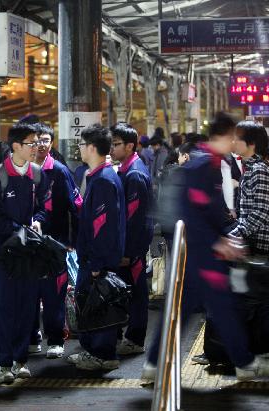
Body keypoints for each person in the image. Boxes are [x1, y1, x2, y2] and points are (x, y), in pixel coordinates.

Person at [142, 112, 269, 381]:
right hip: (202, 255)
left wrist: (229, 236)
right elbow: (191, 213)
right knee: (223, 309)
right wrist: (221, 242)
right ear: (225, 135)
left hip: (202, 254)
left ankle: (153, 364)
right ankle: (243, 362)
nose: (235, 143)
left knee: (182, 312)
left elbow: (212, 210)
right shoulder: (202, 166)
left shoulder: (211, 164)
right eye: (233, 137)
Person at [0, 122, 48, 383]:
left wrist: (39, 220)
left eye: (37, 143)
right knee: (5, 307)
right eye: (31, 143)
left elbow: (44, 207)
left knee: (27, 307)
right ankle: (3, 363)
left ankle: (21, 360)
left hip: (29, 253)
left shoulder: (38, 175)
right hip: (5, 254)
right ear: (16, 146)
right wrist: (18, 229)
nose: (36, 148)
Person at [67, 124, 126, 371]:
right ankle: (98, 351)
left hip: (96, 259)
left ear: (92, 147)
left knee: (96, 305)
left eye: (81, 144)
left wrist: (96, 263)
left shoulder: (102, 180)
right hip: (97, 257)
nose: (79, 149)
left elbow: (102, 226)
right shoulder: (103, 176)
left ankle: (101, 354)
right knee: (97, 303)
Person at [28, 123, 82, 359]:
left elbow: (76, 207)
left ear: (52, 143)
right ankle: (32, 337)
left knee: (53, 294)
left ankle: (56, 339)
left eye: (46, 140)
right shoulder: (22, 170)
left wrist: (74, 242)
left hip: (55, 244)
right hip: (27, 244)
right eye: (38, 140)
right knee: (29, 293)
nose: (41, 145)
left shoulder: (59, 171)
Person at [230, 121, 269, 358]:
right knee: (259, 299)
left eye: (237, 138)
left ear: (250, 144)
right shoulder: (253, 168)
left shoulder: (259, 170)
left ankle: (262, 351)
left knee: (261, 301)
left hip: (260, 245)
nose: (233, 142)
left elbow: (260, 212)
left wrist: (235, 234)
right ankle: (259, 349)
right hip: (257, 242)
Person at [109, 122, 154, 355]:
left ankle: (135, 339)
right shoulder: (126, 169)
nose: (111, 149)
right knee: (128, 292)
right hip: (128, 246)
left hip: (132, 249)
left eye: (116, 145)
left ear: (129, 146)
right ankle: (125, 336)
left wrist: (128, 251)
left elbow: (134, 218)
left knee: (137, 294)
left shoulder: (134, 174)